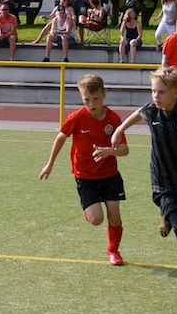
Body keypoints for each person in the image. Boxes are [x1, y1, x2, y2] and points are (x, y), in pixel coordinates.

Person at [111, 67, 177, 274]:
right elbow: (137, 114)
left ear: (176, 93)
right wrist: (119, 130)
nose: (155, 96)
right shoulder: (152, 110)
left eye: (161, 92)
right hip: (163, 182)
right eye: (153, 91)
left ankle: (166, 217)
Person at [40, 74, 128, 266]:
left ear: (104, 95)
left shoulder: (113, 119)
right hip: (85, 176)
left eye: (95, 99)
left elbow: (124, 150)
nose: (91, 104)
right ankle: (89, 212)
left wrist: (109, 151)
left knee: (114, 216)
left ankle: (113, 251)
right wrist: (50, 163)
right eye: (86, 100)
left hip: (109, 174)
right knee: (97, 219)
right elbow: (61, 137)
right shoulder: (78, 118)